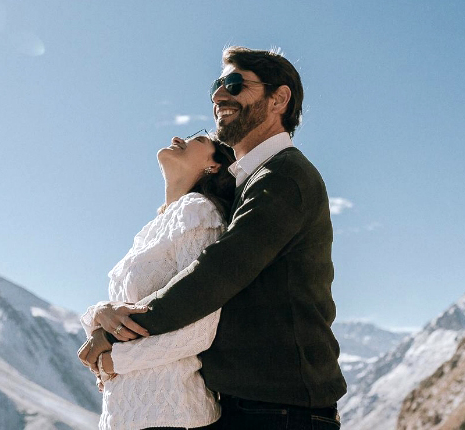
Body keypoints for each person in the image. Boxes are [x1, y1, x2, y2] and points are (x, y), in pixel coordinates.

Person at [78, 46, 345, 429]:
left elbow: (218, 273)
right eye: (217, 86)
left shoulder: (283, 176)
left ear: (279, 99)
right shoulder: (250, 182)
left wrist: (116, 335)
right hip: (252, 406)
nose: (220, 95)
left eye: (235, 84)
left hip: (282, 410)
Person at [77, 132, 236, 430]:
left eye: (198, 139)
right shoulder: (155, 227)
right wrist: (99, 313)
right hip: (124, 412)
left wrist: (114, 362)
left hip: (172, 412)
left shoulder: (198, 212)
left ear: (213, 166)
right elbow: (131, 308)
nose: (179, 138)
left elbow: (199, 329)